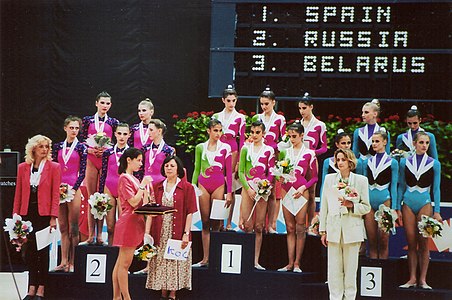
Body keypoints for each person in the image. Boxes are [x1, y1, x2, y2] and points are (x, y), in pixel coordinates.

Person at [13, 135, 61, 300]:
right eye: (41, 146)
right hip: (27, 214)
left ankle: (41, 287)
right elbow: (18, 193)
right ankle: (30, 288)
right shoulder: (23, 167)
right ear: (33, 148)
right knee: (30, 252)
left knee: (43, 252)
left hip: (44, 215)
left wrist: (53, 217)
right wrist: (16, 216)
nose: (44, 150)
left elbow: (55, 195)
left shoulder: (54, 167)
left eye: (47, 146)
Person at [319, 149, 371, 300]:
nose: (340, 162)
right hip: (334, 229)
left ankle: (349, 298)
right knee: (333, 270)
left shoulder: (361, 181)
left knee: (350, 270)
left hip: (352, 231)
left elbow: (366, 207)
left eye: (343, 159)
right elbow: (324, 206)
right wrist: (323, 231)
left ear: (350, 162)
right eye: (338, 160)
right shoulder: (329, 179)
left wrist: (351, 205)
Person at [146, 156, 197, 300]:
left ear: (178, 169)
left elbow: (189, 212)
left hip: (178, 229)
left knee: (174, 260)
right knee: (161, 259)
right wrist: (147, 233)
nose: (169, 168)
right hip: (160, 230)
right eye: (166, 165)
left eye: (172, 166)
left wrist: (186, 233)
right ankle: (163, 292)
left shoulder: (187, 187)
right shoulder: (157, 186)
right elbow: (151, 211)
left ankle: (173, 294)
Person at [397, 132, 442, 290]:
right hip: (408, 202)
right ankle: (412, 278)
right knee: (411, 241)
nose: (424, 146)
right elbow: (401, 185)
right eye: (421, 142)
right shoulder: (404, 162)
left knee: (423, 242)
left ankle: (423, 279)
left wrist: (437, 211)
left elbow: (436, 189)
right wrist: (397, 208)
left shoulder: (434, 163)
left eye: (427, 143)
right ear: (414, 144)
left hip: (424, 202)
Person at [135, 119, 175, 275]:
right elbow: (140, 169)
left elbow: (171, 172)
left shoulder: (168, 150)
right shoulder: (144, 149)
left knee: (161, 227)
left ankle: (161, 263)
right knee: (148, 227)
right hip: (147, 190)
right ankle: (147, 265)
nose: (148, 132)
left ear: (159, 131)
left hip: (161, 190)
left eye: (151, 130)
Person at [112, 148, 152, 300]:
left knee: (120, 263)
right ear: (129, 160)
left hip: (135, 221)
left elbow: (143, 203)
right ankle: (126, 298)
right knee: (124, 264)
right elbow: (133, 202)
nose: (141, 164)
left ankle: (116, 297)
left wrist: (147, 191)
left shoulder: (134, 179)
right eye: (139, 160)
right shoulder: (124, 178)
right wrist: (143, 186)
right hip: (129, 221)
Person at [277, 122, 317, 273]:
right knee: (290, 228)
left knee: (300, 228)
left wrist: (303, 187)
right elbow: (280, 173)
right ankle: (289, 263)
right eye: (290, 136)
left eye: (295, 136)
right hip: (287, 191)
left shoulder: (309, 153)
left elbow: (314, 178)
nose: (292, 139)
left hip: (301, 191)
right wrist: (280, 179)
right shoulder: (285, 153)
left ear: (302, 136)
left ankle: (297, 263)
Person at [79, 91, 119, 245]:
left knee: (102, 198)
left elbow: (117, 143)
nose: (105, 106)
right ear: (96, 103)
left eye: (108, 103)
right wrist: (89, 149)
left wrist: (107, 150)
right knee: (91, 197)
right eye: (102, 103)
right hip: (91, 160)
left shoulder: (113, 122)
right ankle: (90, 235)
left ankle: (100, 236)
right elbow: (81, 141)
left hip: (105, 161)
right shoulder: (87, 121)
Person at [192, 119, 233, 267]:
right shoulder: (200, 147)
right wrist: (192, 186)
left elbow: (228, 172)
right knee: (205, 222)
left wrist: (229, 192)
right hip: (203, 184)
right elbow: (197, 168)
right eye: (215, 130)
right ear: (208, 131)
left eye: (220, 130)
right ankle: (205, 258)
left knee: (216, 223)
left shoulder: (226, 147)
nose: (218, 133)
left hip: (218, 185)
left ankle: (215, 258)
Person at [52, 116, 87, 272]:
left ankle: (73, 262)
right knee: (63, 227)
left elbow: (82, 171)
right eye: (71, 127)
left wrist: (73, 188)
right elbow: (53, 167)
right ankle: (63, 261)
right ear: (65, 128)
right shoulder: (58, 146)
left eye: (76, 128)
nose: (74, 131)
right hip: (59, 189)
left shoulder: (81, 148)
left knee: (73, 227)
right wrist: (57, 187)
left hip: (73, 189)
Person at [238, 121, 275, 270]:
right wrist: (248, 189)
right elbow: (241, 172)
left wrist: (265, 186)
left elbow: (271, 172)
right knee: (247, 225)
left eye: (257, 132)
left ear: (263, 134)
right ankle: (246, 259)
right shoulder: (245, 149)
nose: (254, 135)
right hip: (249, 188)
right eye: (252, 132)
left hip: (262, 189)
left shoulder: (269, 150)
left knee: (259, 226)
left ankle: (255, 260)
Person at [252, 87, 286, 234]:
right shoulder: (257, 118)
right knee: (257, 189)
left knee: (272, 192)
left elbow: (284, 137)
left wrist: (277, 148)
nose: (264, 107)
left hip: (274, 156)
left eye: (266, 104)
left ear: (273, 102)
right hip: (259, 156)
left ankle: (271, 225)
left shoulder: (280, 119)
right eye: (262, 104)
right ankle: (256, 224)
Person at [213, 85, 246, 231]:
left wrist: (240, 161)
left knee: (230, 186)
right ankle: (218, 221)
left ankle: (228, 222)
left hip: (233, 151)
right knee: (220, 184)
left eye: (234, 100)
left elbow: (242, 140)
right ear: (223, 100)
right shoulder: (216, 117)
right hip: (219, 150)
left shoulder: (240, 117)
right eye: (229, 100)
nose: (231, 104)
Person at [362, 129, 398, 259]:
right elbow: (364, 184)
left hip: (385, 201)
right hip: (370, 203)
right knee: (371, 240)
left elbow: (394, 186)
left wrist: (394, 208)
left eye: (377, 141)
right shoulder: (367, 162)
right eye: (372, 141)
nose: (374, 144)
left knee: (383, 239)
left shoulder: (392, 162)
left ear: (385, 142)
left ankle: (383, 271)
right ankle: (373, 268)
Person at [99, 123, 131, 245]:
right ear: (115, 134)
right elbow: (103, 172)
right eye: (119, 133)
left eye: (124, 134)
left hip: (124, 190)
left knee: (122, 226)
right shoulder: (107, 152)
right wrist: (101, 192)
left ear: (129, 135)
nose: (122, 137)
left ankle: (121, 252)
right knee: (111, 226)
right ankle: (111, 253)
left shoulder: (131, 153)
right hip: (109, 187)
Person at [298, 93, 327, 224]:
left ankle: (310, 224)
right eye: (300, 108)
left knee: (310, 194)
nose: (301, 111)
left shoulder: (320, 125)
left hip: (311, 162)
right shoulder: (297, 124)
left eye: (304, 108)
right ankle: (299, 222)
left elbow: (324, 147)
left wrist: (312, 153)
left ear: (311, 107)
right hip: (297, 162)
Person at [352, 99, 390, 174]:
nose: (363, 115)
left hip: (377, 167)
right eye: (362, 112)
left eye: (366, 112)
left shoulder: (383, 132)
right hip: (361, 167)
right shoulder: (358, 132)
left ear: (375, 114)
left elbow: (387, 153)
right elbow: (354, 154)